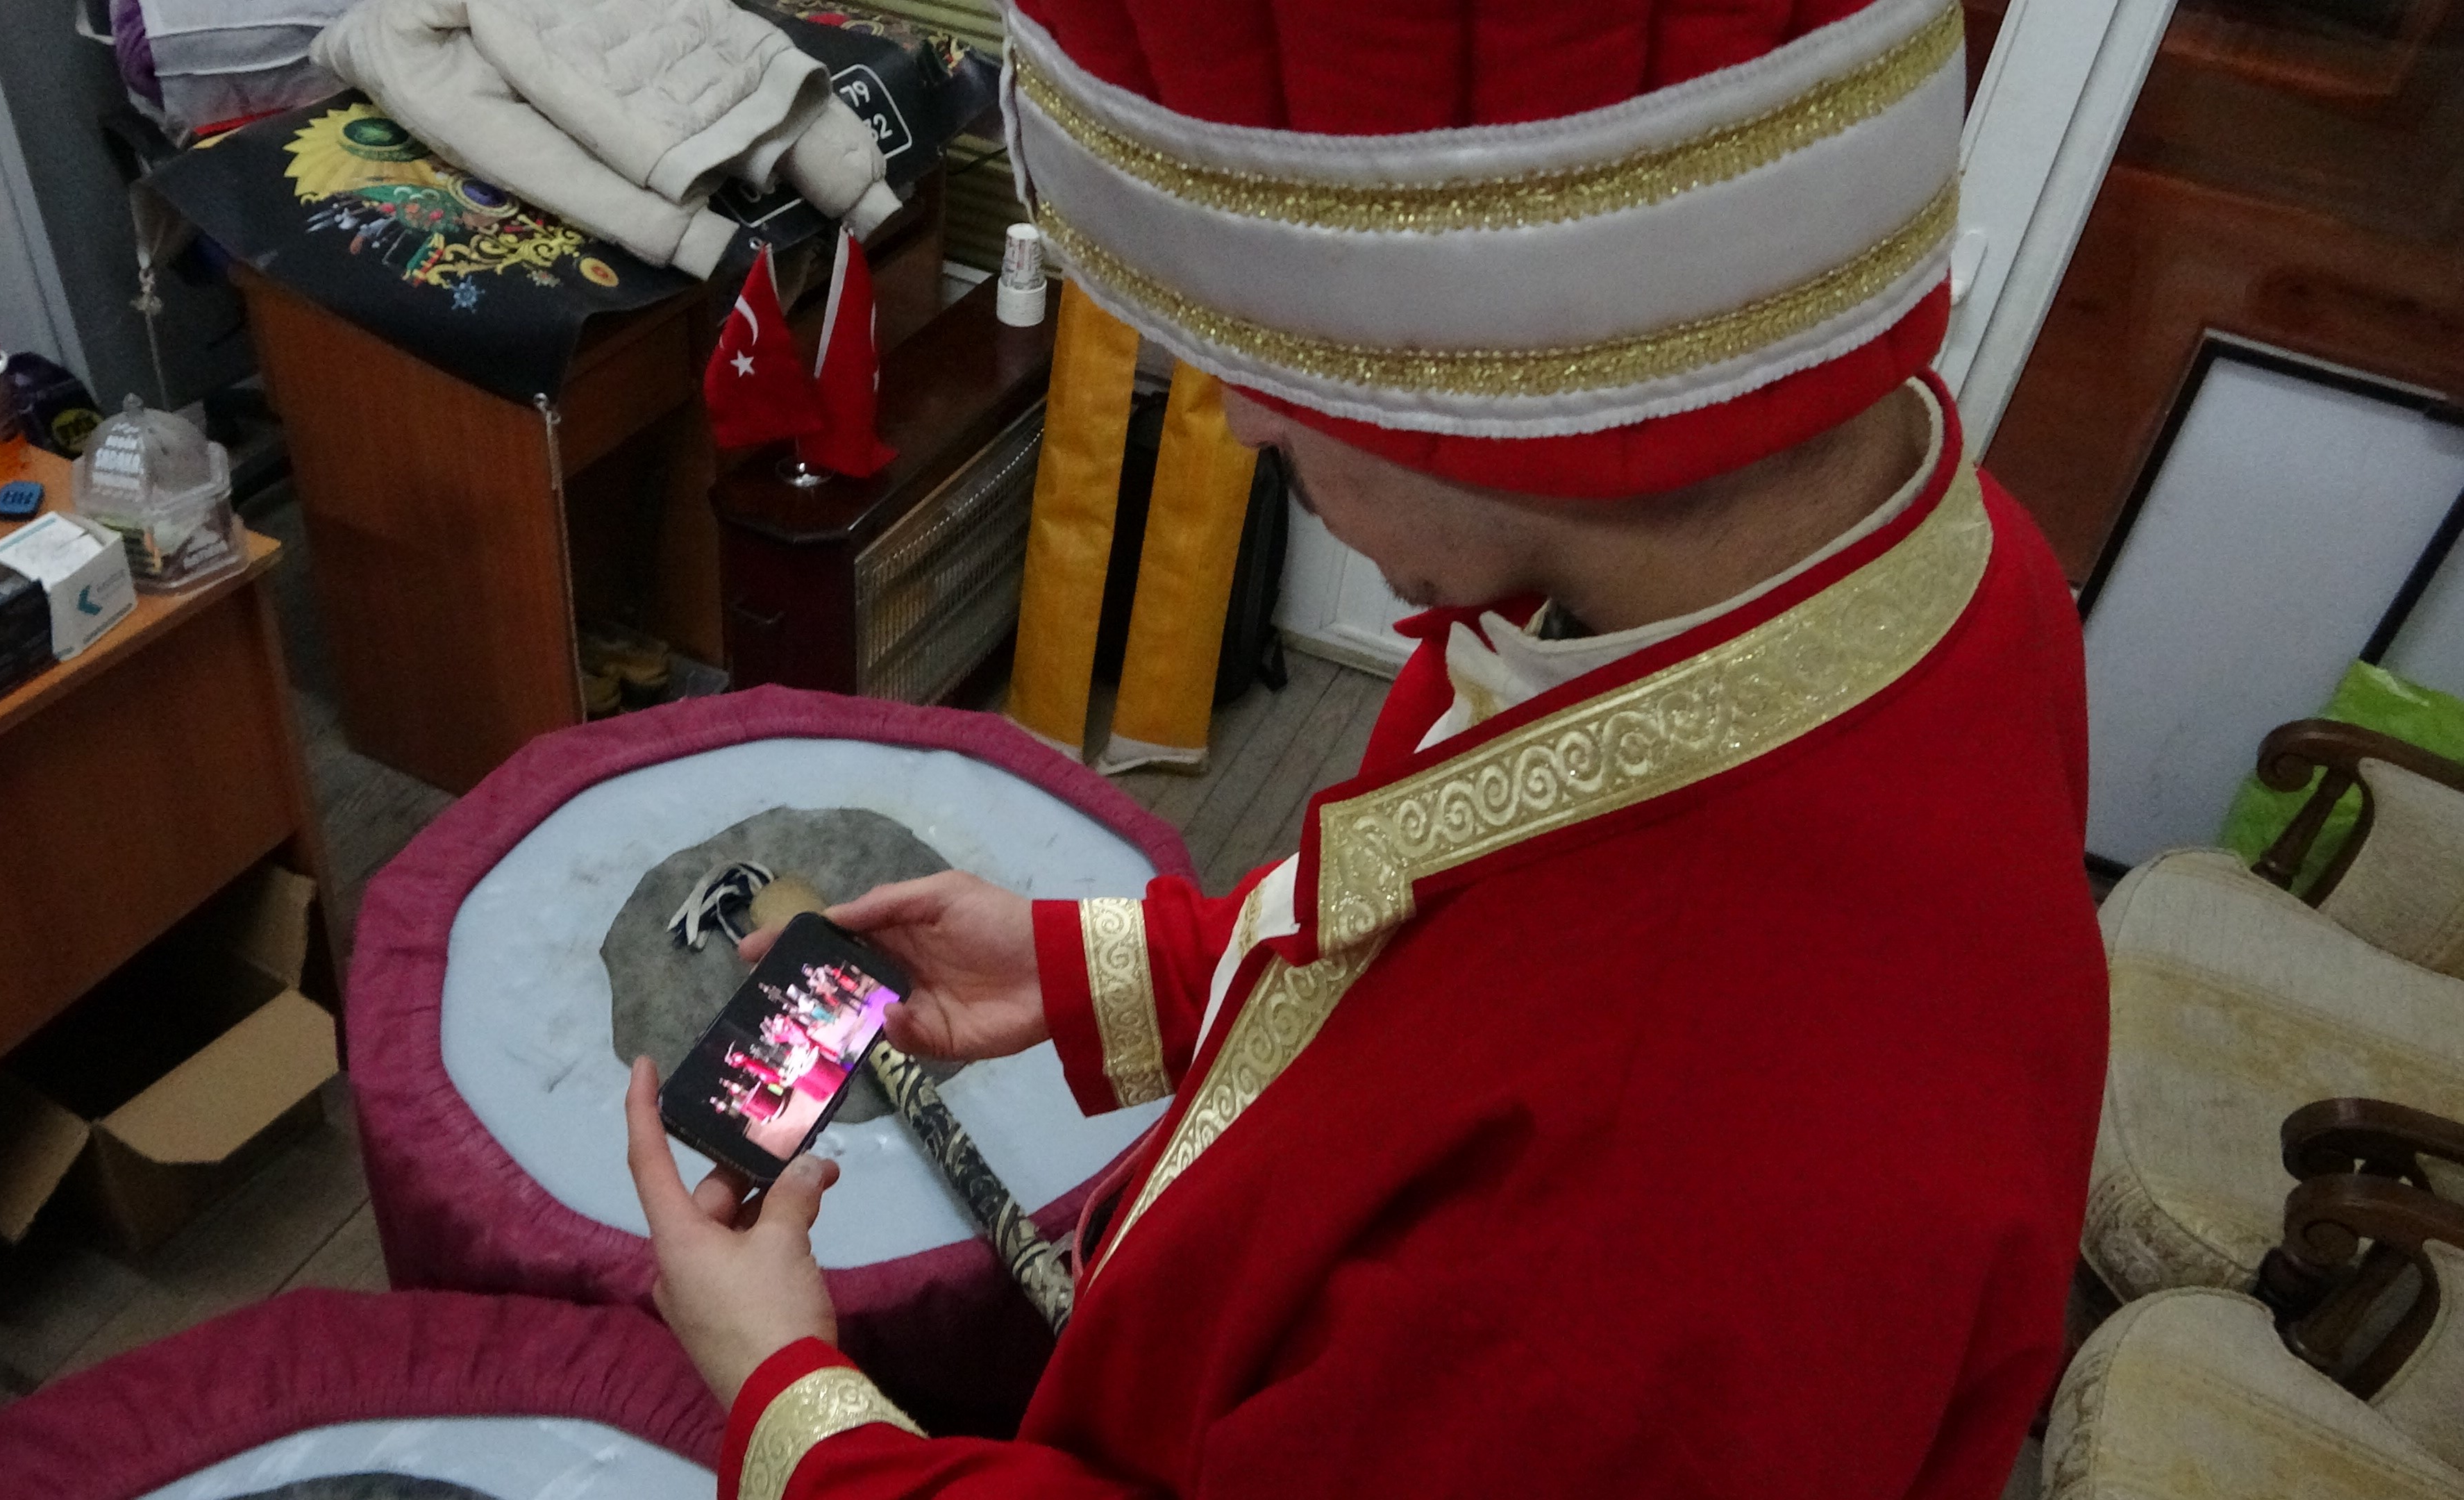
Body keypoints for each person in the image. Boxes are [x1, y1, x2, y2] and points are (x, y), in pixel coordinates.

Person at [621, 3, 2108, 1499]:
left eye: (1281, 356)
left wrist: (793, 1397)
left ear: (1506, 374)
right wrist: (1082, 969)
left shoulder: (1644, 1243)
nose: (1250, 421)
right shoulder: (1911, 558)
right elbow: (1451, 968)